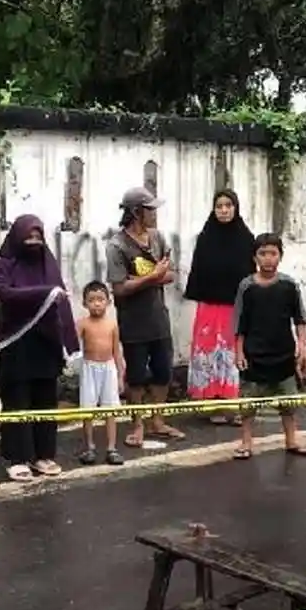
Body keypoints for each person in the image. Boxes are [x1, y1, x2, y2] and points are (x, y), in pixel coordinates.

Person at [0, 214, 80, 482]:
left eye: (37, 236)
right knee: (17, 400)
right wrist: (46, 292)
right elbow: (5, 293)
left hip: (46, 342)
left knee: (45, 400)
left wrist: (70, 343)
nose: (33, 241)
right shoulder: (3, 262)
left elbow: (62, 302)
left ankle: (43, 455)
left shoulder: (47, 263)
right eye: (28, 236)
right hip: (16, 342)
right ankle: (17, 458)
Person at [106, 186, 186, 447]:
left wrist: (143, 279)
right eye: (150, 209)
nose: (154, 214)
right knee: (137, 376)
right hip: (133, 321)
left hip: (158, 317)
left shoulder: (157, 237)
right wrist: (152, 277)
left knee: (163, 371)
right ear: (135, 212)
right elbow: (119, 287)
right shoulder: (117, 245)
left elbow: (171, 274)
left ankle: (158, 421)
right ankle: (137, 424)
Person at [232, 233, 306, 459]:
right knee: (248, 404)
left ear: (280, 256)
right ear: (254, 257)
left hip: (283, 354)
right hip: (254, 355)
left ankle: (291, 439)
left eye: (273, 253)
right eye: (263, 253)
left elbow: (300, 319)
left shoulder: (289, 285)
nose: (268, 259)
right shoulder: (246, 286)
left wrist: (303, 347)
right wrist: (239, 352)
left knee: (289, 403)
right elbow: (239, 323)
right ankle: (246, 442)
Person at [184, 189, 254, 427]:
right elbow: (198, 272)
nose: (224, 210)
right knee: (209, 354)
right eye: (219, 206)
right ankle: (212, 404)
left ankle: (233, 405)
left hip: (234, 308)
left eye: (228, 206)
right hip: (209, 307)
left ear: (236, 208)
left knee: (233, 355)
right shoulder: (205, 238)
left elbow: (251, 276)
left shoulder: (246, 239)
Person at [77, 281, 126, 465]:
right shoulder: (82, 324)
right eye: (91, 300)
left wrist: (120, 375)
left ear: (108, 302)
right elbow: (72, 344)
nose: (96, 304)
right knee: (87, 409)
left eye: (100, 299)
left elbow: (116, 351)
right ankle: (89, 447)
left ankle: (111, 448)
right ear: (84, 303)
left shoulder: (112, 325)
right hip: (89, 368)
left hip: (109, 368)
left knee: (110, 409)